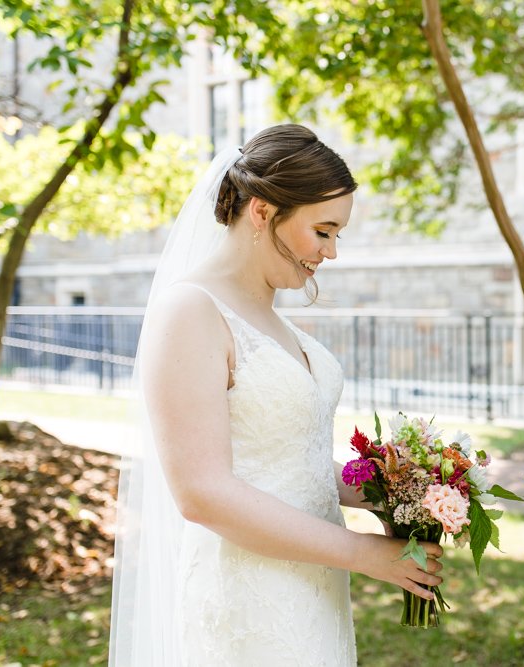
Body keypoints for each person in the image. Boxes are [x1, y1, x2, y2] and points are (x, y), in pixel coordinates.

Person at [109, 124, 443, 666]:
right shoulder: (189, 312)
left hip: (313, 592)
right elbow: (202, 492)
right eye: (324, 231)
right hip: (246, 598)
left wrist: (397, 491)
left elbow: (289, 460)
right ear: (262, 212)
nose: (331, 253)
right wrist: (366, 554)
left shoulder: (272, 317)